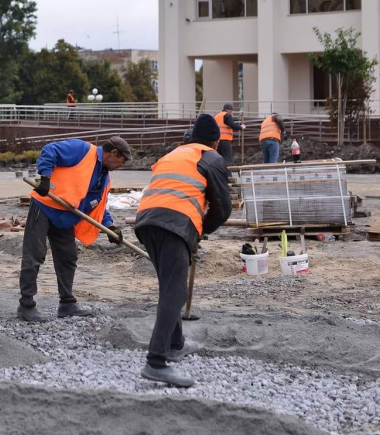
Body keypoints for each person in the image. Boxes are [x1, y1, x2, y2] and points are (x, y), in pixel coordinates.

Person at [134, 114, 232, 387]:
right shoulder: (211, 157)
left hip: (146, 221)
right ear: (216, 141)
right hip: (175, 223)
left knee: (169, 286)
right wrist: (199, 230)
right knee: (176, 291)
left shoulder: (173, 154)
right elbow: (223, 209)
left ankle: (176, 343)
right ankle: (156, 361)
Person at [18, 136, 132, 322]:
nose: (123, 165)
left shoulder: (104, 178)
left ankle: (67, 304)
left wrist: (111, 226)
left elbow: (100, 204)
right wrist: (45, 177)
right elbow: (50, 150)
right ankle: (26, 304)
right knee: (35, 254)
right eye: (123, 160)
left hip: (65, 216)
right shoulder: (82, 150)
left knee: (68, 257)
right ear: (113, 153)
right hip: (46, 205)